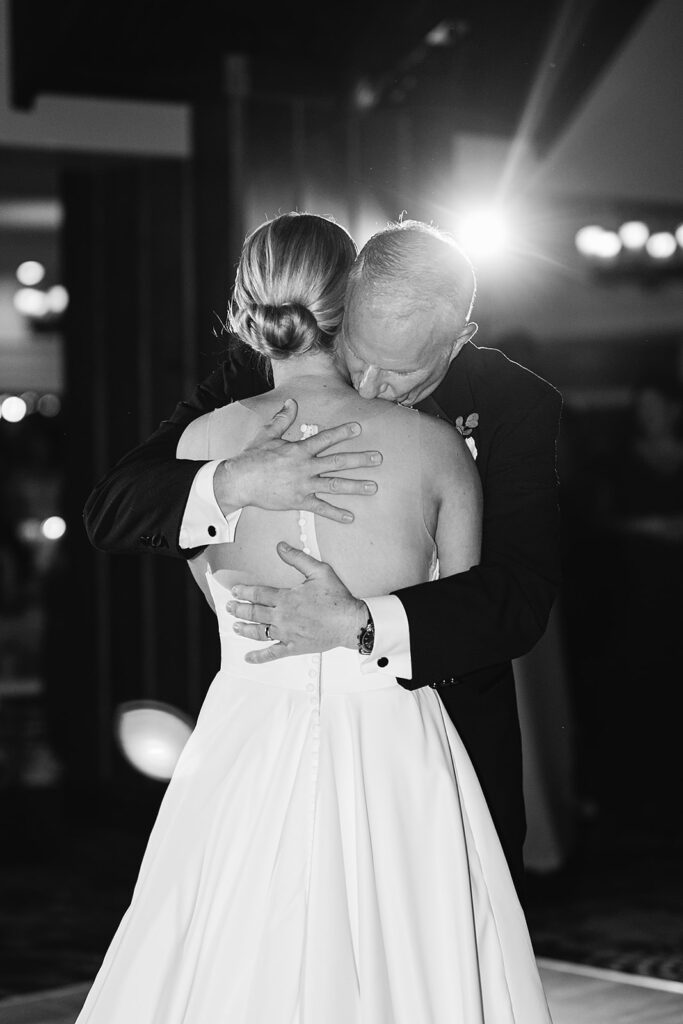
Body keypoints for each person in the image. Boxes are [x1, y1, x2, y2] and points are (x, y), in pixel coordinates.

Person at [77, 212, 552, 1022]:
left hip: (435, 729)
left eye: (398, 374)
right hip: (274, 725)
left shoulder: (514, 403)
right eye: (358, 357)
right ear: (348, 299)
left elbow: (511, 600)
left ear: (460, 335)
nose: (367, 388)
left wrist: (360, 623)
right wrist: (233, 484)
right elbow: (117, 506)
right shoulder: (243, 394)